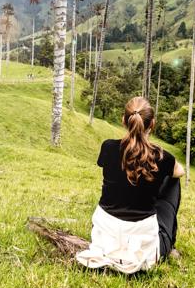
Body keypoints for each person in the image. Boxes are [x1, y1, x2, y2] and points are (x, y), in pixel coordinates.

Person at [76, 96, 184, 274]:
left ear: (123, 120)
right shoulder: (162, 157)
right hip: (144, 247)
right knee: (172, 180)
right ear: (153, 124)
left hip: (105, 238)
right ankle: (169, 244)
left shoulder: (108, 147)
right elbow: (179, 172)